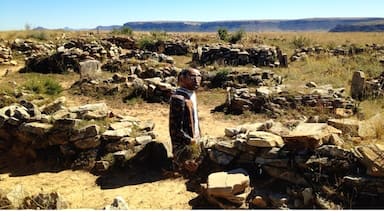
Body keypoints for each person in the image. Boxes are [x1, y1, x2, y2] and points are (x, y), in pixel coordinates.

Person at [169, 67, 204, 175]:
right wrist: (189, 140)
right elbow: (175, 128)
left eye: (199, 76)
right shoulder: (179, 98)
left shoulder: (191, 94)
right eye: (192, 76)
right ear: (182, 79)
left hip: (194, 139)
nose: (196, 79)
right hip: (185, 144)